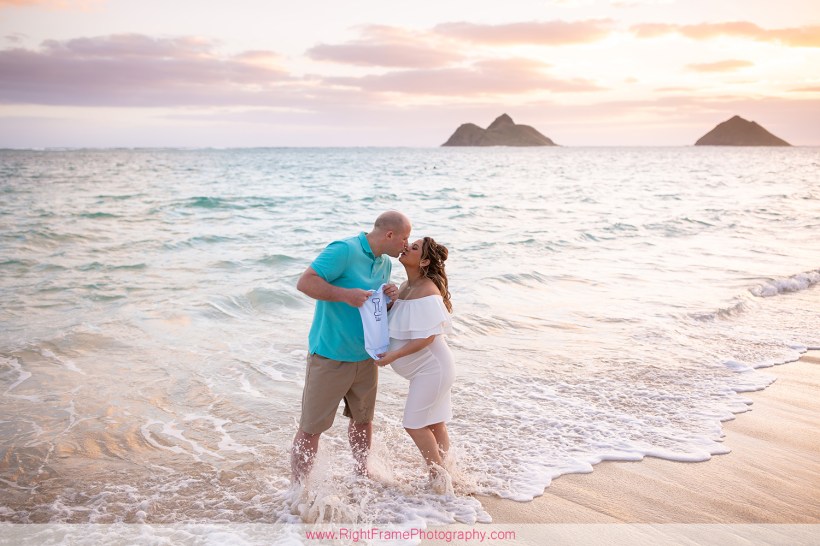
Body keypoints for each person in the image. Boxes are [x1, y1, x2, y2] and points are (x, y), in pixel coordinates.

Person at [291, 211, 411, 483]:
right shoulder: (344, 250)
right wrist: (345, 295)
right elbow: (305, 282)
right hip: (330, 355)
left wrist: (390, 299)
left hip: (367, 356)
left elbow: (374, 309)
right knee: (311, 429)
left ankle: (361, 474)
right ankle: (298, 490)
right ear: (389, 235)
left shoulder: (385, 264)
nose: (406, 244)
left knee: (363, 421)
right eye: (404, 238)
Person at [375, 237, 455, 488]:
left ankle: (439, 480)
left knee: (414, 424)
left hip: (433, 369)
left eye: (414, 247)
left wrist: (393, 356)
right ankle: (449, 475)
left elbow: (427, 336)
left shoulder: (428, 290)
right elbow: (401, 322)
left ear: (424, 261)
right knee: (434, 423)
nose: (406, 247)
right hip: (428, 370)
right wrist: (390, 301)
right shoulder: (406, 286)